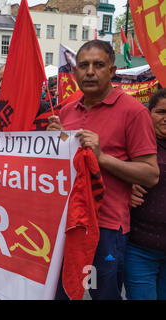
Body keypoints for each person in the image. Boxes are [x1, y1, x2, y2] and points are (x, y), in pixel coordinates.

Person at [47, 40, 159, 300]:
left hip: (107, 228)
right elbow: (69, 162)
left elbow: (150, 174)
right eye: (83, 65)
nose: (89, 72)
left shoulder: (133, 112)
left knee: (102, 294)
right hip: (69, 224)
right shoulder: (66, 111)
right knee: (62, 292)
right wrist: (55, 141)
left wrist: (103, 157)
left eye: (98, 65)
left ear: (112, 70)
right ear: (74, 71)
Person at [124, 88, 166, 300]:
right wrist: (124, 189)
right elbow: (103, 172)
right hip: (140, 248)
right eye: (161, 112)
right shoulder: (133, 144)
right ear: (148, 113)